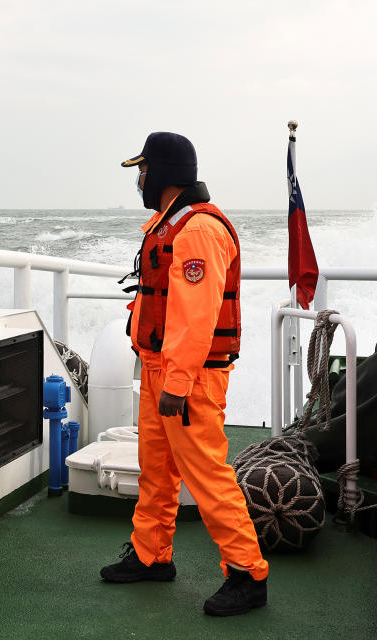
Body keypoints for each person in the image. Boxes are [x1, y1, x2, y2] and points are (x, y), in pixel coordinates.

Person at [102, 132, 269, 617]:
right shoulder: (165, 224)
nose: (139, 181)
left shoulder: (197, 231)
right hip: (160, 369)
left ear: (163, 173)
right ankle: (152, 554)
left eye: (143, 171)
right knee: (156, 469)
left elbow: (195, 318)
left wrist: (176, 384)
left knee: (206, 473)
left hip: (188, 378)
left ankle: (247, 573)